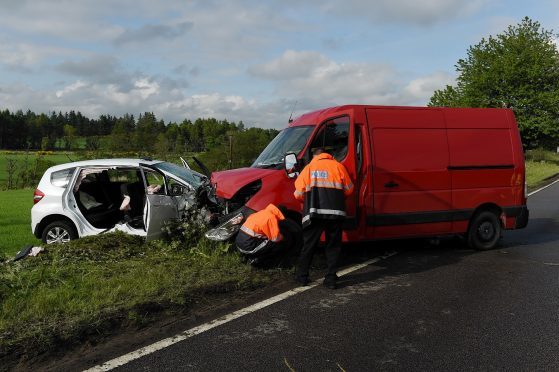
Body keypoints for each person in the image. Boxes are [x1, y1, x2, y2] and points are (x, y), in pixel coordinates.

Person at [294, 148, 354, 289]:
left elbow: (297, 194)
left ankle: (302, 277)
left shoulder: (309, 168)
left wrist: (307, 199)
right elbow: (349, 189)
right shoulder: (339, 166)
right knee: (333, 246)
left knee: (309, 245)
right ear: (329, 156)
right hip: (335, 213)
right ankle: (331, 279)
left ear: (315, 156)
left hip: (314, 213)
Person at [235, 204, 301, 267]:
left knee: (267, 242)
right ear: (280, 214)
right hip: (247, 245)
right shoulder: (271, 218)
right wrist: (285, 237)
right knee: (278, 244)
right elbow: (276, 239)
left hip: (239, 242)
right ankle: (258, 260)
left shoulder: (260, 213)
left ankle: (249, 256)